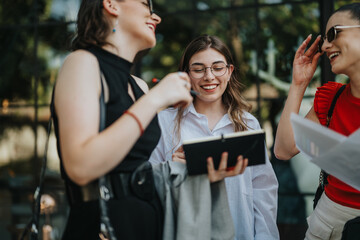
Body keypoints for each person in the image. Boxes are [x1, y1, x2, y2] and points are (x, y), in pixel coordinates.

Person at [52, 1, 246, 239]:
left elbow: (133, 173)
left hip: (147, 225)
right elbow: (80, 167)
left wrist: (187, 170)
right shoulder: (82, 62)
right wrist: (156, 99)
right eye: (146, 4)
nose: (156, 18)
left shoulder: (139, 86)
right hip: (103, 227)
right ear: (111, 4)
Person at [149, 35, 279, 240]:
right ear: (186, 75)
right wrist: (172, 169)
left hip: (241, 231)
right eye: (198, 69)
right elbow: (148, 185)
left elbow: (264, 190)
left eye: (217, 67)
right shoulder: (163, 123)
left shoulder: (248, 124)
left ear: (229, 71)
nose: (209, 76)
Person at [274, 3, 360, 240]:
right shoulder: (329, 97)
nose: (324, 45)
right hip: (328, 222)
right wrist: (298, 83)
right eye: (324, 38)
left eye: (333, 33)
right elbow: (283, 150)